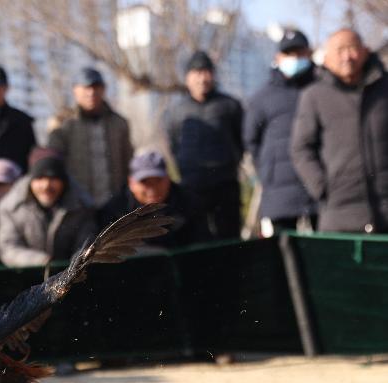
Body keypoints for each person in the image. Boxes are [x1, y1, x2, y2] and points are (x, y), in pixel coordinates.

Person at [291, 28, 388, 233]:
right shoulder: (314, 96)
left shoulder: (384, 89)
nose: (347, 56)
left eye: (352, 48)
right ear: (326, 58)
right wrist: (322, 187)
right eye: (339, 50)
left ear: (365, 50)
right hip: (338, 213)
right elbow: (301, 148)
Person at [244, 29, 318, 236]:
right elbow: (251, 140)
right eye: (289, 53)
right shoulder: (262, 97)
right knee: (283, 253)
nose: (294, 58)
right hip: (279, 191)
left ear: (309, 54)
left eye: (299, 53)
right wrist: (268, 172)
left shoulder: (322, 89)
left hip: (319, 186)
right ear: (278, 57)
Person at [165, 51, 244, 239]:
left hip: (225, 186)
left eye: (206, 71)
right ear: (187, 78)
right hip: (192, 187)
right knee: (196, 239)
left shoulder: (230, 105)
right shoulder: (176, 111)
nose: (202, 78)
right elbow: (174, 145)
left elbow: (240, 141)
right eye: (196, 72)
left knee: (230, 240)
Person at [47, 67, 133, 207]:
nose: (91, 92)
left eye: (96, 87)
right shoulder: (62, 123)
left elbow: (128, 162)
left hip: (113, 201)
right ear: (75, 90)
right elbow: (53, 163)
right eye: (86, 87)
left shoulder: (119, 123)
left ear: (103, 89)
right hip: (75, 203)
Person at [0, 154, 97, 267]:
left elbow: (85, 244)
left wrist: (74, 266)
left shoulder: (83, 205)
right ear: (31, 181)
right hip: (24, 273)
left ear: (64, 182)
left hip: (71, 274)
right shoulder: (10, 207)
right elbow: (8, 249)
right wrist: (41, 261)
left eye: (53, 179)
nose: (46, 186)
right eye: (40, 179)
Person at [99, 150, 210, 248]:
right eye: (144, 182)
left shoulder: (190, 204)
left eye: (158, 180)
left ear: (168, 179)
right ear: (131, 183)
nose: (152, 189)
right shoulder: (113, 213)